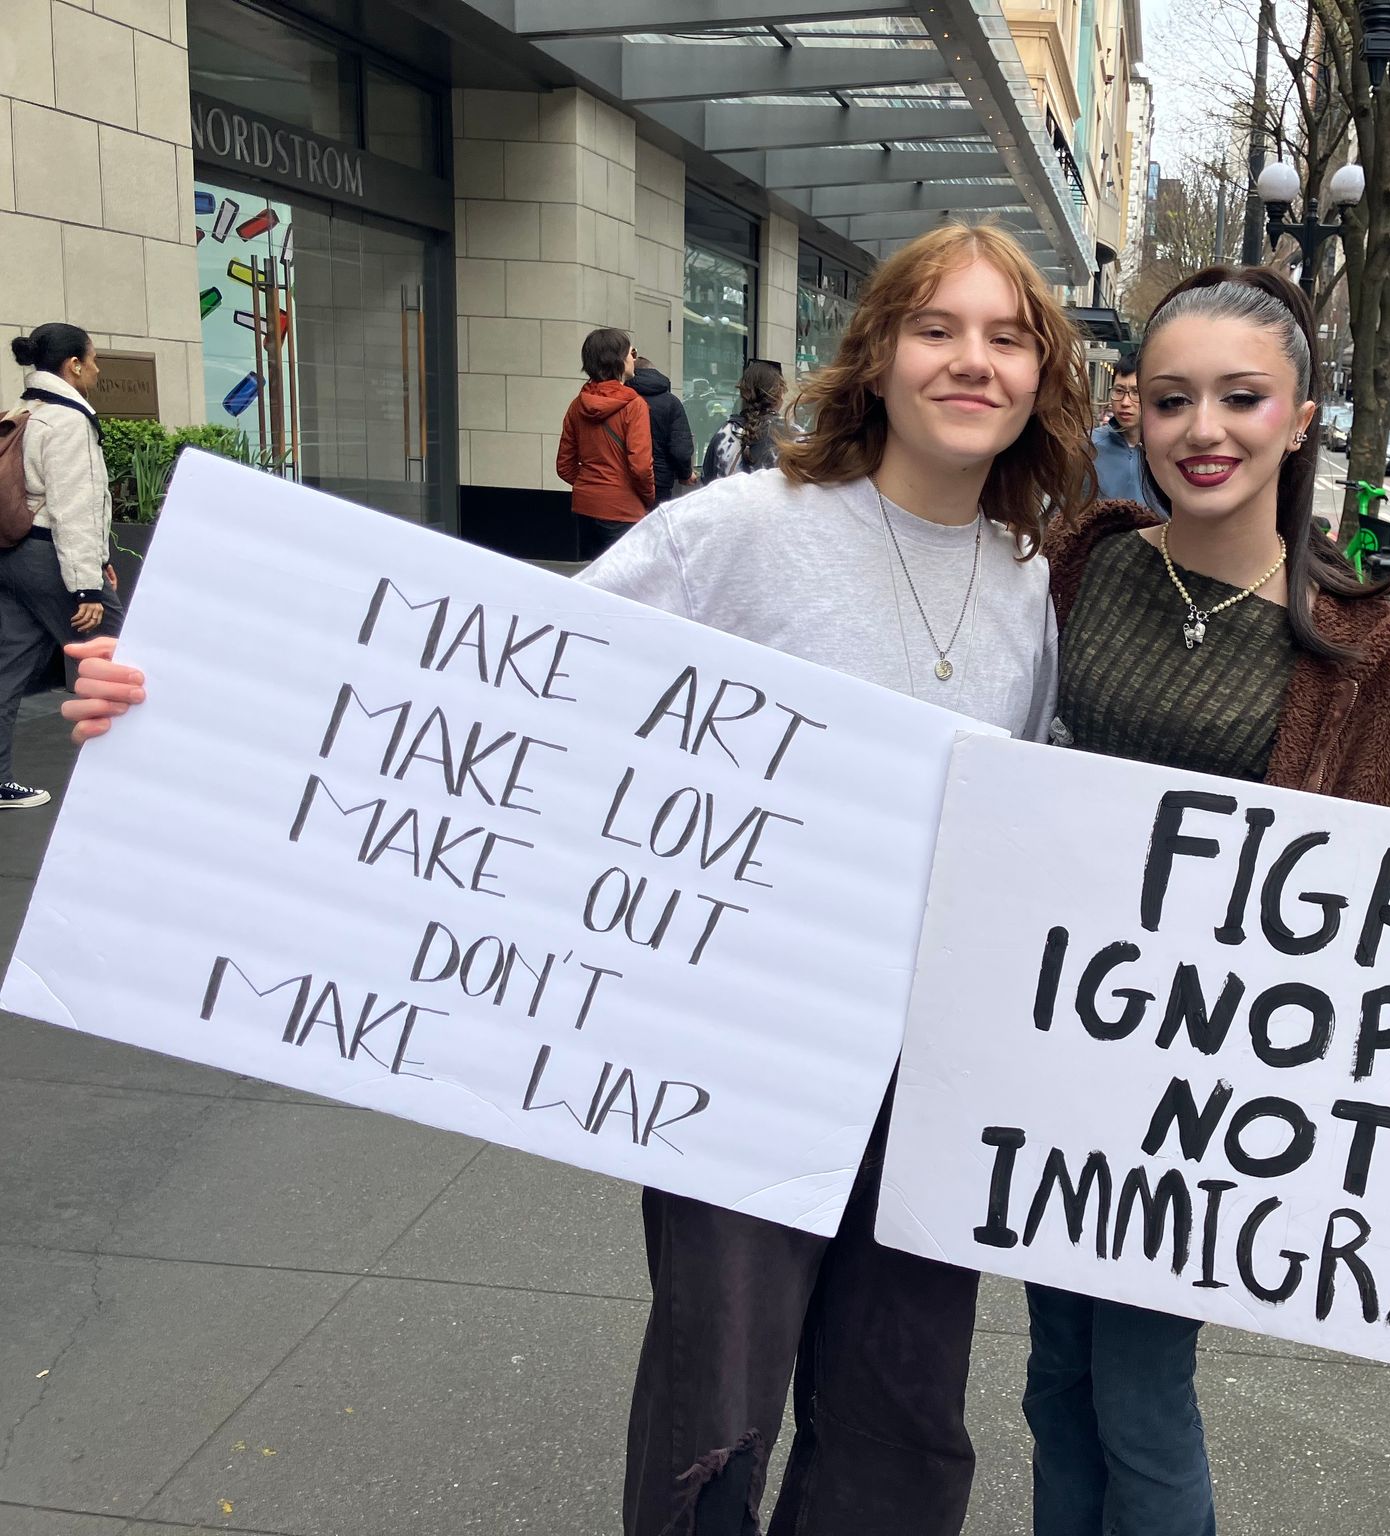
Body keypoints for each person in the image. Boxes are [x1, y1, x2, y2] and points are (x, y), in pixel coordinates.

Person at [61, 221, 1096, 1536]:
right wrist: (187, 698)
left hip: (923, 1076)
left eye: (1008, 336)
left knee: (903, 1414)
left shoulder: (1023, 582)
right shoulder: (744, 530)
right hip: (737, 1054)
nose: (973, 361)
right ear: (878, 356)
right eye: (938, 328)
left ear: (1041, 376)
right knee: (715, 1415)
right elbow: (485, 688)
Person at [1030, 266, 1390, 1536]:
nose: (1203, 431)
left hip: (1201, 1087)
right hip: (1055, 1058)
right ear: (1137, 410)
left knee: (1137, 1392)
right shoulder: (1080, 562)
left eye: (1241, 398)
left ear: (1300, 418)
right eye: (1171, 398)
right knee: (1052, 1384)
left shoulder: (1351, 644)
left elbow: (1386, 863)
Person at [1, 324, 123, 810]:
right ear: (73, 364)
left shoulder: (23, 412)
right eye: (92, 360)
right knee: (126, 656)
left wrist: (102, 559)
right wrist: (87, 588)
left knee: (6, 671)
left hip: (12, 557)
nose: (96, 369)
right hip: (50, 557)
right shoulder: (69, 422)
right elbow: (73, 509)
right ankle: (148, 775)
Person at [557, 327, 655, 559]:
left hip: (585, 506)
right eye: (631, 352)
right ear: (618, 360)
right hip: (624, 509)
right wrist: (648, 498)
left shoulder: (577, 405)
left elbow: (564, 465)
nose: (634, 358)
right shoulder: (634, 405)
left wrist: (590, 485)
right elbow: (641, 466)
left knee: (593, 580)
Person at [1087, 345, 1165, 515]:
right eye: (1119, 391)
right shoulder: (1088, 446)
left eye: (1136, 392)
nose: (1125, 402)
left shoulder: (1169, 449)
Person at [700, 359, 788, 482]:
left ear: (743, 394)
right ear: (779, 394)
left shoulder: (723, 434)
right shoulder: (792, 435)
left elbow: (706, 482)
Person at [626, 353, 696, 502]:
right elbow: (680, 448)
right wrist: (686, 474)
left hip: (625, 482)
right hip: (660, 482)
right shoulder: (671, 402)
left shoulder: (623, 399)